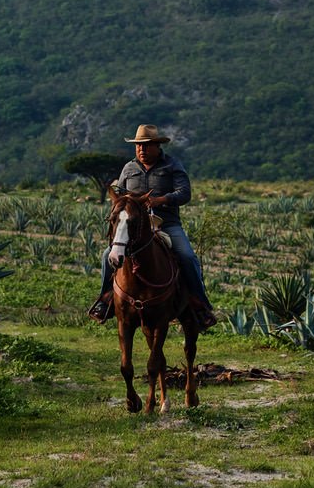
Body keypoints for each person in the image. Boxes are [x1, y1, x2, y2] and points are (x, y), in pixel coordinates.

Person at [88, 123, 217, 332]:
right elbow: (119, 197)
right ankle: (105, 300)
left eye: (147, 146)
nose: (142, 150)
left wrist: (160, 200)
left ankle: (199, 304)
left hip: (167, 224)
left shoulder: (172, 166)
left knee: (187, 256)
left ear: (157, 146)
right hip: (134, 228)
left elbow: (185, 194)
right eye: (138, 146)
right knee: (107, 255)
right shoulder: (128, 168)